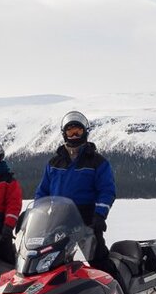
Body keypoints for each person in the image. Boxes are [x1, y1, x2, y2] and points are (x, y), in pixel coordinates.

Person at [34, 111, 117, 275]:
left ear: (85, 132)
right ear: (64, 134)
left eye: (77, 131)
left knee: (98, 260)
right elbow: (42, 191)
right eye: (70, 131)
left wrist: (99, 215)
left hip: (87, 219)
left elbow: (107, 190)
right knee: (48, 262)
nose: (73, 135)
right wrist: (36, 212)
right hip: (58, 219)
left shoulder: (97, 161)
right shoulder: (54, 162)